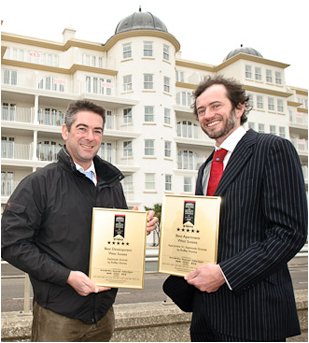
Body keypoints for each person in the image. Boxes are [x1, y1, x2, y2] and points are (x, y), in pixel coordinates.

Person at [163, 76, 307, 342]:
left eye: (216, 106)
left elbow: (290, 232)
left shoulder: (273, 148)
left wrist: (225, 274)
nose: (207, 115)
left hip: (254, 313)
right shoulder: (205, 168)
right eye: (201, 110)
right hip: (206, 315)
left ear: (239, 108)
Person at [1, 100, 158, 342]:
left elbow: (113, 234)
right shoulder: (38, 184)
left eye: (97, 131)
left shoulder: (112, 183)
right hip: (58, 315)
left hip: (103, 314)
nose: (90, 137)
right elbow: (11, 243)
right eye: (82, 128)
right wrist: (66, 276)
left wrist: (138, 228)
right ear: (66, 132)